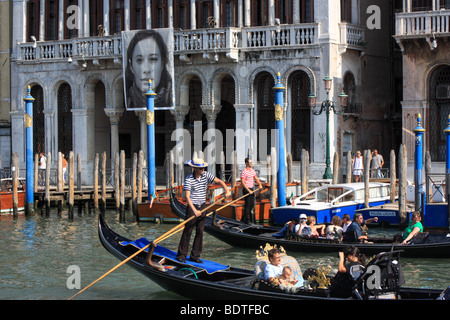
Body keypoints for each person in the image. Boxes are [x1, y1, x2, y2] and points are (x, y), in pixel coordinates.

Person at [176, 157, 231, 263]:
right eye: (201, 169)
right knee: (188, 231)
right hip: (192, 207)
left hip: (202, 206)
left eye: (203, 168)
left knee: (200, 231)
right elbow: (187, 197)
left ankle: (195, 256)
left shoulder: (206, 175)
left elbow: (219, 181)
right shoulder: (189, 179)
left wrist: (227, 190)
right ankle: (181, 255)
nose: (203, 170)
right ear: (195, 169)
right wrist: (194, 210)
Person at [125, 30, 173, 109]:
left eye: (153, 59)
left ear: (162, 64)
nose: (146, 70)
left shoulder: (170, 95)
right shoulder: (129, 98)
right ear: (131, 66)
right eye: (139, 60)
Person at [240, 157, 263, 224]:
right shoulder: (244, 171)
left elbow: (256, 178)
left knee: (252, 205)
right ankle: (247, 220)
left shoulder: (252, 170)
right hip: (246, 189)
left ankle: (243, 218)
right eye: (250, 162)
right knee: (247, 205)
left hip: (251, 189)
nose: (251, 164)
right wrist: (248, 190)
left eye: (251, 162)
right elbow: (243, 183)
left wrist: (259, 184)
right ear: (246, 163)